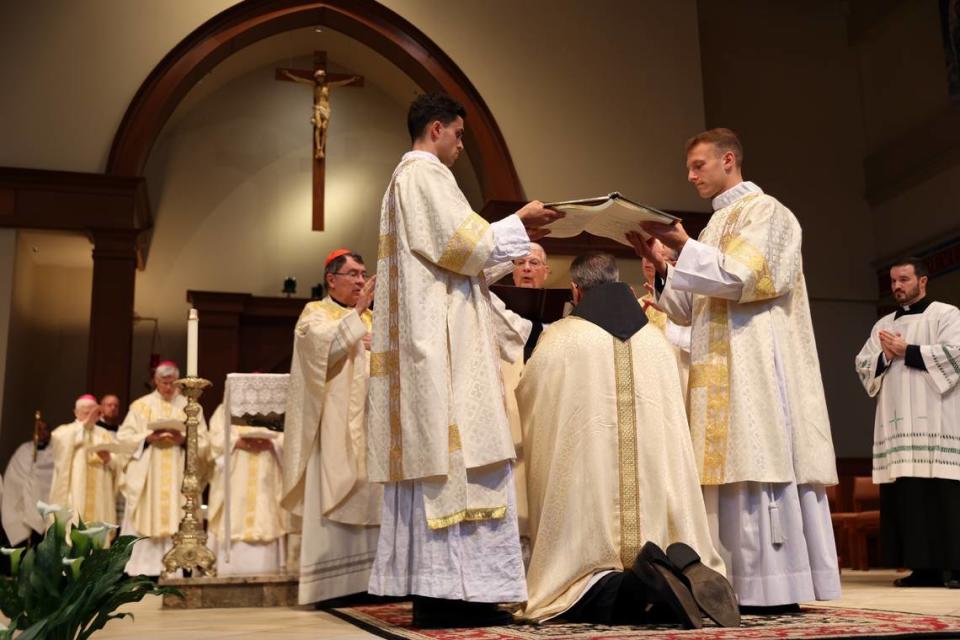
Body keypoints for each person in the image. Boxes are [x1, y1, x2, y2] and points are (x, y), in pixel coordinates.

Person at [365, 92, 562, 628]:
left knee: (457, 465)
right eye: (456, 135)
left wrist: (513, 242)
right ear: (435, 129)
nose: (459, 147)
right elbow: (464, 246)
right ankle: (456, 596)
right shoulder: (423, 175)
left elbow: (461, 268)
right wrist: (518, 222)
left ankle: (450, 594)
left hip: (442, 334)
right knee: (461, 464)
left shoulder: (406, 181)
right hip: (444, 355)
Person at [627, 128, 840, 609]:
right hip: (717, 365)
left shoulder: (769, 213)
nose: (690, 175)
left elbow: (747, 277)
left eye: (698, 165)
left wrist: (685, 246)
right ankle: (733, 584)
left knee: (757, 466)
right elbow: (686, 309)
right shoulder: (712, 228)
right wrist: (662, 266)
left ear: (729, 159)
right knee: (724, 477)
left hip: (757, 366)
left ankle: (777, 585)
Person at [517, 253, 733, 627]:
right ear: (622, 285)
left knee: (582, 588)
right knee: (647, 555)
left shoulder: (560, 340)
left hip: (585, 518)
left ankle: (635, 587)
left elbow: (529, 397)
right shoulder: (656, 343)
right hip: (655, 504)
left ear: (576, 290)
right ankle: (670, 573)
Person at [282, 249, 382, 604]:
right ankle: (332, 587)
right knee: (337, 493)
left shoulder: (374, 319)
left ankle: (372, 584)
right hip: (333, 425)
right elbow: (324, 350)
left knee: (373, 497)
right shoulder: (314, 313)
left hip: (373, 423)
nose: (360, 280)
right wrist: (356, 320)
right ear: (331, 279)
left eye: (363, 274)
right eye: (353, 274)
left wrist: (377, 343)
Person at [855, 257, 960, 589]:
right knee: (909, 496)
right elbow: (863, 363)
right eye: (893, 281)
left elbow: (956, 354)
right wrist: (885, 355)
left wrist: (908, 350)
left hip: (939, 420)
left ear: (923, 281)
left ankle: (956, 568)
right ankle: (923, 568)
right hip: (899, 422)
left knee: (944, 494)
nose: (897, 286)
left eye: (904, 279)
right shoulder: (883, 324)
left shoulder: (946, 315)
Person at [117, 361, 211, 576]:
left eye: (171, 383)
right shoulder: (140, 406)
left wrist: (185, 439)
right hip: (150, 473)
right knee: (148, 511)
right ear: (155, 381)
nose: (167, 388)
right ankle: (144, 569)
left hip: (179, 471)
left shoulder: (191, 406)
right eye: (163, 383)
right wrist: (147, 437)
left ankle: (181, 566)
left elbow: (205, 441)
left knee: (180, 513)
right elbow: (124, 439)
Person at [208, 403, 290, 577]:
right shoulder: (226, 406)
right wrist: (236, 441)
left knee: (265, 509)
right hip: (236, 470)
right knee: (236, 508)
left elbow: (291, 436)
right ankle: (230, 569)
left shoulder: (274, 405)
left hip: (267, 467)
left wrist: (274, 444)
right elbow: (214, 437)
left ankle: (267, 568)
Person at [48, 394, 122, 527]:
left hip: (100, 495)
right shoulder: (66, 431)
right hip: (75, 492)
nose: (90, 416)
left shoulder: (103, 434)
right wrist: (84, 425)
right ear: (76, 413)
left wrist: (109, 459)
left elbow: (118, 462)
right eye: (86, 412)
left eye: (93, 412)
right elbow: (60, 447)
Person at [1, 415, 55, 547]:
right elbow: (14, 476)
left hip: (45, 502)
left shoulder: (55, 452)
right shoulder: (23, 450)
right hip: (22, 505)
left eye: (45, 429)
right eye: (38, 429)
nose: (41, 432)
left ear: (50, 433)